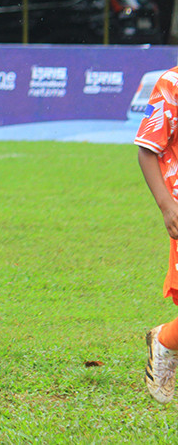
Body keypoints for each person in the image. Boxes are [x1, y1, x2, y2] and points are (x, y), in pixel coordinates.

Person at [135, 67, 178, 403]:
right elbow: (147, 150)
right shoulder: (172, 84)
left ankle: (165, 340)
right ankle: (165, 341)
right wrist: (167, 206)